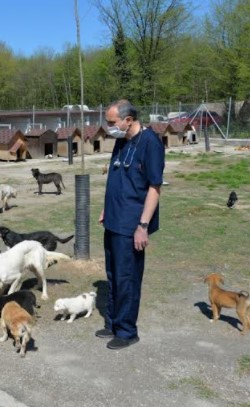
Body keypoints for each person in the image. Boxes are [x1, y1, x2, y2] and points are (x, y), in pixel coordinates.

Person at [97, 99, 164, 350]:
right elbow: (118, 177)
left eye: (111, 122)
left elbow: (154, 187)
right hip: (113, 220)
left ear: (128, 120)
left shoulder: (150, 143)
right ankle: (113, 322)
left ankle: (127, 331)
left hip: (131, 224)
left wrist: (143, 226)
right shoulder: (121, 140)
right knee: (113, 275)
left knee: (128, 278)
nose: (108, 127)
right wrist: (107, 208)